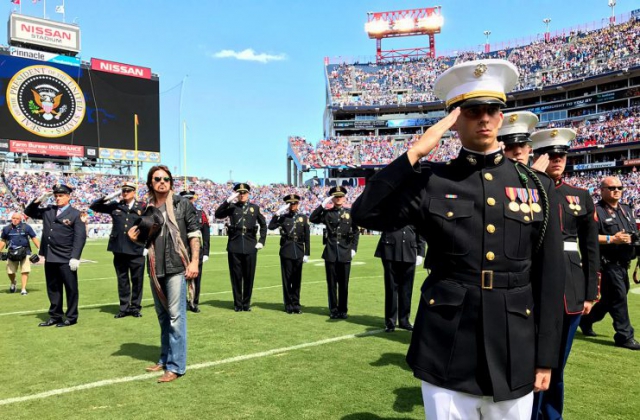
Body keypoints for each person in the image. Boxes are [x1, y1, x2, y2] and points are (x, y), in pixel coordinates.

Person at [351, 59, 565, 419]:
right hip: (447, 343)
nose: (483, 118)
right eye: (471, 111)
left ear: (501, 116)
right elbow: (365, 214)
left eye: (492, 109)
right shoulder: (432, 180)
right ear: (453, 119)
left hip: (515, 344)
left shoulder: (537, 186)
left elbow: (550, 275)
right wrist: (415, 153)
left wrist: (546, 358)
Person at [529, 128, 600, 419]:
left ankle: (551, 414)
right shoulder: (528, 191)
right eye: (550, 155)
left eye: (561, 154)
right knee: (531, 362)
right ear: (539, 157)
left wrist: (591, 292)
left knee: (557, 364)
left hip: (570, 289)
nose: (556, 159)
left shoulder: (580, 196)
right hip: (532, 286)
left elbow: (591, 247)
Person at [128, 165, 202, 383]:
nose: (162, 182)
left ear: (171, 182)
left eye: (166, 178)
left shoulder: (183, 204)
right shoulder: (148, 208)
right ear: (151, 182)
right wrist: (135, 239)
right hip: (154, 266)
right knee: (163, 317)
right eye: (157, 178)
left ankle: (176, 366)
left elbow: (194, 235)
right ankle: (165, 357)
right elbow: (148, 238)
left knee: (176, 317)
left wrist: (195, 261)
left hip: (176, 266)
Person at [580, 176, 640, 351]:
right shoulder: (596, 211)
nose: (616, 190)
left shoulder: (626, 210)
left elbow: (631, 235)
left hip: (624, 263)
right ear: (602, 190)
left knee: (608, 301)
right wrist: (612, 239)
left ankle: (586, 320)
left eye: (620, 188)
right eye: (612, 187)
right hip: (606, 264)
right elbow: (587, 237)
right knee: (619, 297)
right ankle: (624, 336)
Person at [25, 184, 87, 328]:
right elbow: (29, 211)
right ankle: (55, 316)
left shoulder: (76, 214)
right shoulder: (49, 210)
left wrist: (75, 257)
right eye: (56, 196)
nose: (58, 198)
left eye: (61, 196)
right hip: (50, 256)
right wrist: (41, 198)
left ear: (68, 197)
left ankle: (71, 317)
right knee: (53, 288)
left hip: (66, 257)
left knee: (71, 288)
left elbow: (80, 237)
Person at [90, 181, 146, 318]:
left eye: (128, 191)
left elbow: (150, 226)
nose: (125, 193)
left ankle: (135, 307)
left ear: (134, 192)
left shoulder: (142, 207)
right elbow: (94, 206)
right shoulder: (115, 206)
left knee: (137, 280)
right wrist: (110, 196)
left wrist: (147, 245)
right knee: (122, 280)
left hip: (136, 249)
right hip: (119, 248)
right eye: (123, 191)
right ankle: (124, 307)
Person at [214, 183, 267, 312]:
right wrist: (227, 200)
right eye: (239, 193)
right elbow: (218, 214)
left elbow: (263, 225)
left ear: (248, 194)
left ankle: (246, 303)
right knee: (236, 276)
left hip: (250, 244)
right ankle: (238, 304)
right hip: (235, 244)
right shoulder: (232, 207)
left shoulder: (255, 208)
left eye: (244, 193)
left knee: (249, 276)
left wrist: (261, 241)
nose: (242, 195)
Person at [310, 186, 359, 320]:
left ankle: (343, 310)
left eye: (341, 196)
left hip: (345, 251)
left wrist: (354, 248)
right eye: (336, 196)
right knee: (331, 284)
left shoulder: (351, 213)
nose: (339, 198)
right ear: (332, 198)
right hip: (331, 252)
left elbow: (355, 231)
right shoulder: (327, 213)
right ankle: (333, 309)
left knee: (344, 284)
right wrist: (323, 204)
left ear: (344, 197)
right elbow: (312, 218)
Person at [374, 226, 425, 332]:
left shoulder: (415, 211)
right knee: (391, 288)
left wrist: (421, 252)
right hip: (390, 250)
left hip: (409, 250)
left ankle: (404, 321)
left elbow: (421, 231)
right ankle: (390, 321)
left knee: (406, 289)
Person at [268, 194, 311, 314]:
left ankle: (296, 304)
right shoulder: (283, 217)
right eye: (290, 204)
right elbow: (271, 227)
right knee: (287, 279)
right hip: (286, 250)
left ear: (298, 204)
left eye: (295, 203)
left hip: (298, 250)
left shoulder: (303, 217)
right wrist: (277, 213)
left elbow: (307, 236)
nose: (293, 206)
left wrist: (307, 253)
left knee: (297, 279)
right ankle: (288, 304)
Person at [179, 190, 211, 313]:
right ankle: (180, 302)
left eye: (190, 199)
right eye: (185, 199)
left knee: (196, 278)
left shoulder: (200, 214)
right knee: (180, 278)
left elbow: (206, 234)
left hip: (196, 251)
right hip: (181, 251)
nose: (187, 201)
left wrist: (206, 252)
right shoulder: (177, 213)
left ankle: (194, 302)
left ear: (193, 199)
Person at [0, 212, 41, 295]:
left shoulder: (26, 227)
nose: (15, 220)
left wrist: (39, 248)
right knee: (10, 272)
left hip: (25, 251)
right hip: (12, 252)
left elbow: (33, 238)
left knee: (25, 271)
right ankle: (13, 282)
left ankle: (23, 289)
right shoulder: (7, 228)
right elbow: (3, 240)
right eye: (13, 218)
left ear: (20, 219)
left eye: (17, 218)